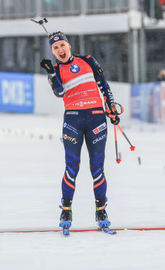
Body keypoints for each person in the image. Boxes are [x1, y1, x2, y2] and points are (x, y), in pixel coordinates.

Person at [40, 31, 119, 233]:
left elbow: (104, 84)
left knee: (97, 168)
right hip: (73, 120)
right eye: (55, 48)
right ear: (53, 51)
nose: (60, 50)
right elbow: (59, 92)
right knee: (72, 167)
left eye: (62, 46)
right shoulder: (55, 69)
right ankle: (66, 209)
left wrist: (111, 107)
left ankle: (101, 210)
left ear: (69, 46)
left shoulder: (88, 61)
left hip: (96, 118)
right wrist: (51, 73)